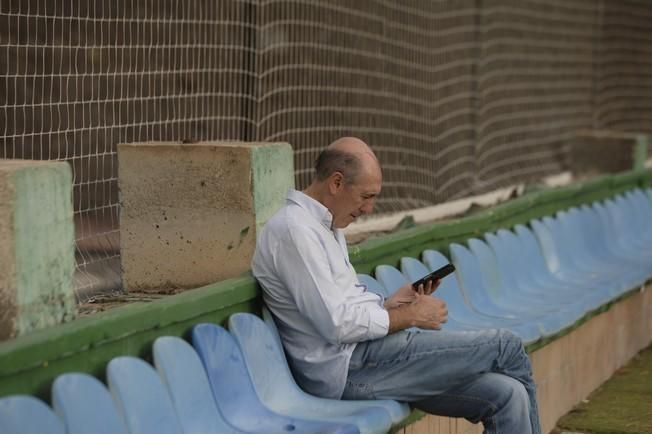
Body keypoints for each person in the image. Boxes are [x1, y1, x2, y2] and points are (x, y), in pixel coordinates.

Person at [252, 137, 542, 434]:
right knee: (507, 346)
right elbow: (336, 324)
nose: (369, 208)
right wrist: (410, 316)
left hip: (370, 357)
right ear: (336, 183)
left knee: (508, 395)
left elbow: (340, 305)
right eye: (366, 196)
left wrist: (387, 305)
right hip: (350, 369)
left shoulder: (325, 224)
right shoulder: (295, 231)